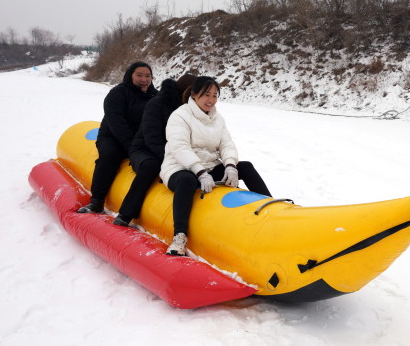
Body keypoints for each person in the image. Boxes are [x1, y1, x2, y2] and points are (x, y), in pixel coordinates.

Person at [160, 76, 272, 256]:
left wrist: (230, 165)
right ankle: (179, 236)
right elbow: (179, 148)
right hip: (179, 167)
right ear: (194, 95)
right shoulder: (180, 116)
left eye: (215, 95)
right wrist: (200, 171)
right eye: (206, 95)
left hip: (209, 167)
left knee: (246, 166)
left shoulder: (217, 118)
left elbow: (226, 144)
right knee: (188, 180)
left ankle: (271, 209)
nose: (211, 100)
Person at [112, 73, 197, 228]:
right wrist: (172, 158)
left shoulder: (192, 108)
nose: (194, 96)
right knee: (151, 166)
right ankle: (125, 214)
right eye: (192, 92)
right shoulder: (157, 103)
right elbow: (151, 137)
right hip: (145, 149)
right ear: (183, 90)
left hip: (173, 150)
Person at [78, 62, 157, 214]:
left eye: (148, 76)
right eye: (139, 75)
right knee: (110, 156)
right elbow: (117, 123)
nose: (144, 79)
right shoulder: (117, 93)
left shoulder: (155, 96)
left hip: (140, 140)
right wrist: (132, 148)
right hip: (112, 137)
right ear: (130, 76)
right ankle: (96, 201)